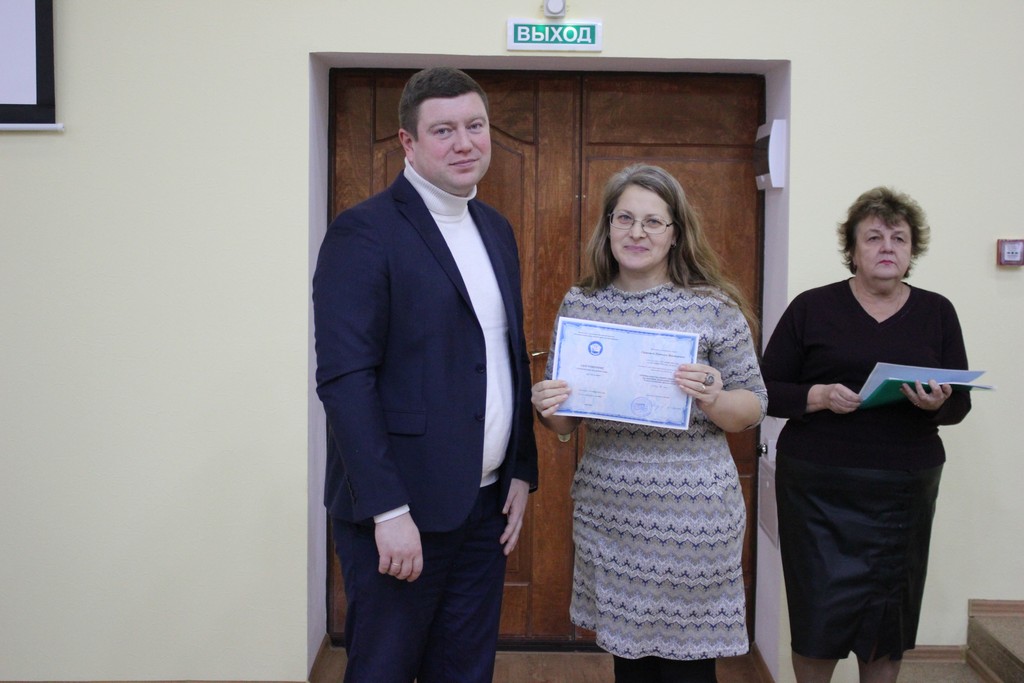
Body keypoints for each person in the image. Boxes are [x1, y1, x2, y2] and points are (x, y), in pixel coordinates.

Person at [312, 67, 538, 683]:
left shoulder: (495, 228)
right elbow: (345, 381)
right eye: (443, 130)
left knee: (465, 673)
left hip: (485, 510)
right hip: (401, 515)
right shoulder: (364, 233)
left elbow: (504, 356)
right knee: (383, 671)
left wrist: (520, 467)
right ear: (408, 143)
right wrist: (388, 511)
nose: (465, 143)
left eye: (475, 126)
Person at [531, 164, 767, 683]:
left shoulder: (712, 307)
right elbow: (566, 421)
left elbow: (753, 407)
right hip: (611, 518)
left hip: (693, 523)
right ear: (607, 226)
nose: (637, 232)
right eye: (625, 218)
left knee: (689, 670)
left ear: (675, 233)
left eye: (653, 221)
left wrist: (714, 398)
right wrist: (547, 406)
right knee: (630, 667)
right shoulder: (583, 303)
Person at [761, 187, 973, 683]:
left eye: (899, 238)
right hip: (817, 491)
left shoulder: (937, 311)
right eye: (874, 237)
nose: (887, 247)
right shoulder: (812, 307)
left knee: (887, 620)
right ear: (852, 250)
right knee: (817, 617)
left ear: (912, 251)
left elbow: (960, 403)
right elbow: (764, 390)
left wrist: (937, 403)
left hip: (902, 492)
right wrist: (817, 395)